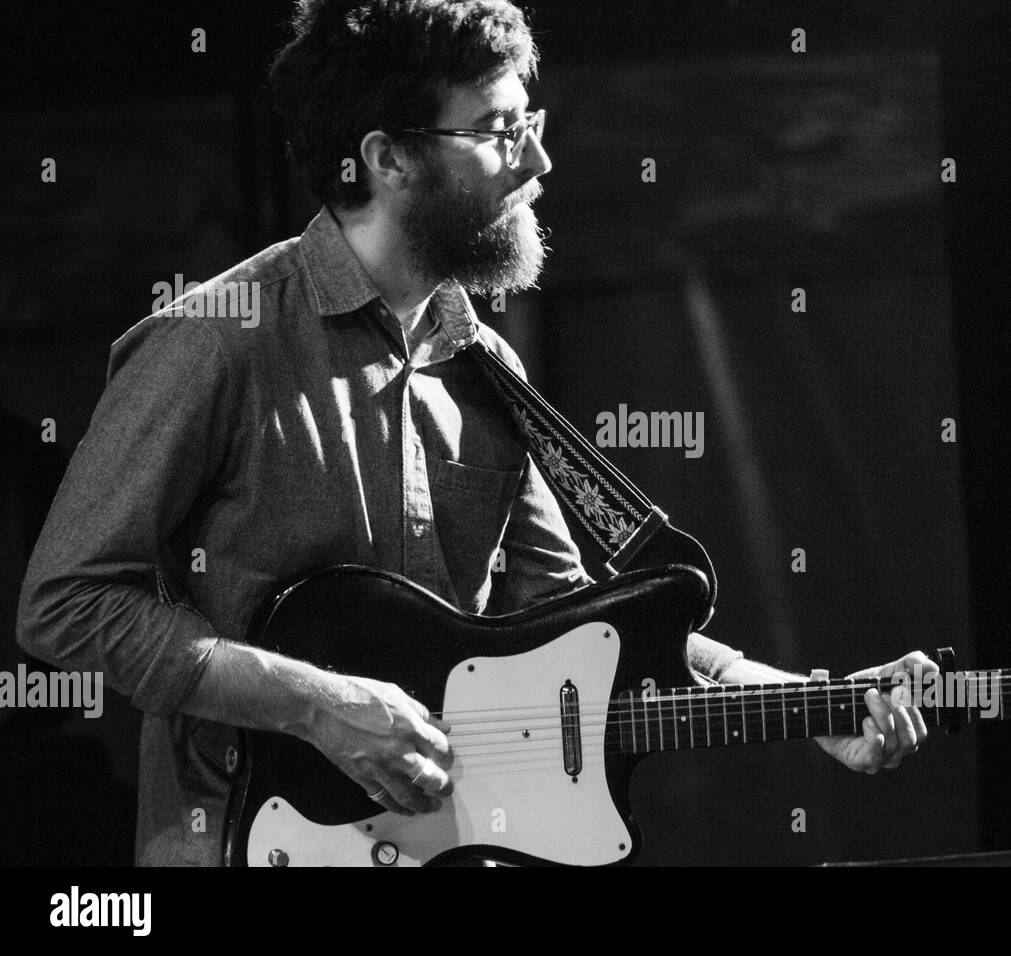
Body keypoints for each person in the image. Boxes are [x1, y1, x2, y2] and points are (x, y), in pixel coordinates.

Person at [17, 0, 936, 867]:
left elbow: (579, 625)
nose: (537, 161)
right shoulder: (218, 339)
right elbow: (64, 602)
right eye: (498, 130)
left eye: (529, 119)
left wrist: (805, 702)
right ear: (389, 158)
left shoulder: (484, 362)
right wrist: (321, 706)